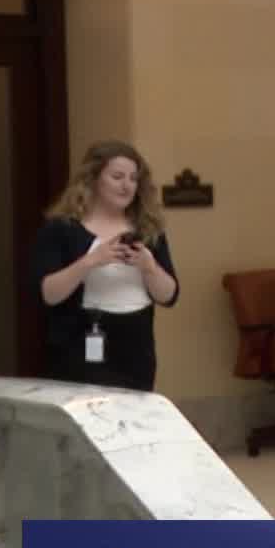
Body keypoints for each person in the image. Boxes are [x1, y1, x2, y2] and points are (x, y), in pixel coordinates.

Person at [29, 141, 180, 393]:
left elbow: (169, 296)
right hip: (77, 347)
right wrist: (91, 261)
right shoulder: (61, 229)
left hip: (135, 350)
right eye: (117, 177)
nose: (126, 185)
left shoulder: (148, 229)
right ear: (93, 179)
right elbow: (47, 294)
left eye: (133, 178)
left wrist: (149, 267)